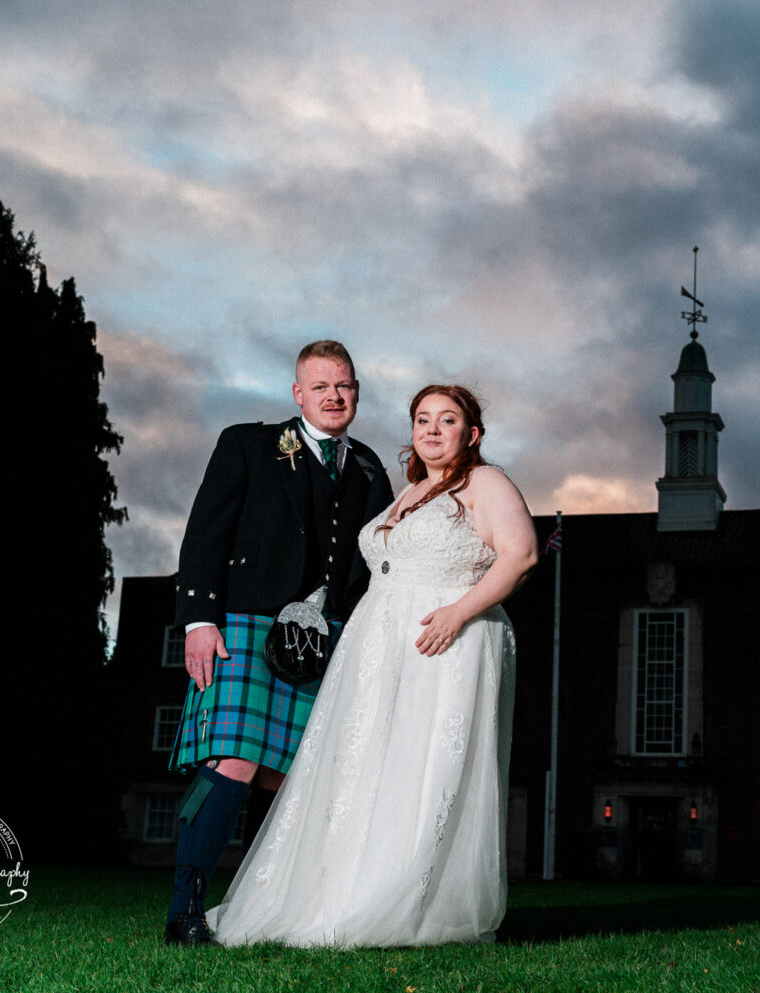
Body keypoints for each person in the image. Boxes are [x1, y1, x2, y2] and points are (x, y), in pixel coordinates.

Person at [204, 383, 537, 947]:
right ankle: (337, 890)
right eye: (422, 419)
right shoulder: (408, 492)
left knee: (420, 767)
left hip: (446, 642)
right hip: (377, 644)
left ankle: (401, 899)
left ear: (471, 434)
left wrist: (457, 614)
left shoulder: (486, 482)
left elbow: (522, 555)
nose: (432, 430)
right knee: (368, 765)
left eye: (447, 419)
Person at [163, 340, 395, 946]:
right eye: (320, 387)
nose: (333, 396)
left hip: (331, 634)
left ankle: (261, 910)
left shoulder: (369, 466)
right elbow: (205, 532)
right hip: (245, 622)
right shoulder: (248, 443)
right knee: (233, 761)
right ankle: (184, 910)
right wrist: (198, 621)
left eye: (343, 386)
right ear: (298, 394)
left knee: (288, 776)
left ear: (357, 392)